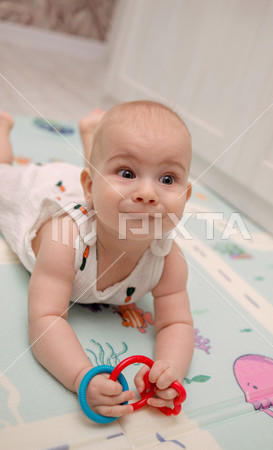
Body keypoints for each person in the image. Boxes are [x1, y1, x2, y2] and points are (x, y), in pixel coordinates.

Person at [0, 100, 194, 419]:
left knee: (111, 170)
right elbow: (46, 318)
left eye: (168, 179)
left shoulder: (168, 260)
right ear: (89, 187)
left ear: (186, 197)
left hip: (95, 192)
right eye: (128, 172)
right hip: (41, 192)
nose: (148, 193)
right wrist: (81, 377)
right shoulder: (65, 242)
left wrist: (169, 370)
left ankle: (96, 140)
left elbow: (177, 322)